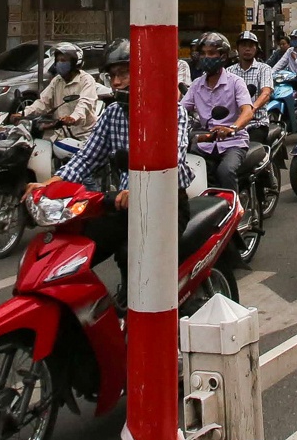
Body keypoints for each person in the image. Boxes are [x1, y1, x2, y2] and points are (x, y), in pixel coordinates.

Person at [46, 41, 192, 290]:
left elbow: (172, 158)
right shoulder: (112, 114)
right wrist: (52, 182)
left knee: (131, 256)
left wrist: (142, 188)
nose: (115, 82)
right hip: (123, 206)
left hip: (165, 205)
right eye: (112, 75)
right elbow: (87, 157)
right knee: (74, 250)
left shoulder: (170, 111)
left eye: (124, 73)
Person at [181, 33, 253, 190]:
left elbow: (247, 111)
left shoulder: (235, 82)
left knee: (225, 171)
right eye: (203, 53)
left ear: (223, 56)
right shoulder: (196, 85)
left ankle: (234, 210)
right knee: (186, 167)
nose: (207, 57)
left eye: (212, 53)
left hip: (234, 142)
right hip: (205, 141)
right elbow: (179, 111)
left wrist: (232, 128)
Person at [22, 42, 101, 152]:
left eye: (63, 61)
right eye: (58, 60)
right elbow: (43, 102)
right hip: (60, 136)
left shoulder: (86, 80)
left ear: (74, 63)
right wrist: (24, 113)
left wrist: (73, 117)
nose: (59, 64)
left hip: (82, 138)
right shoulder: (57, 81)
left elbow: (85, 103)